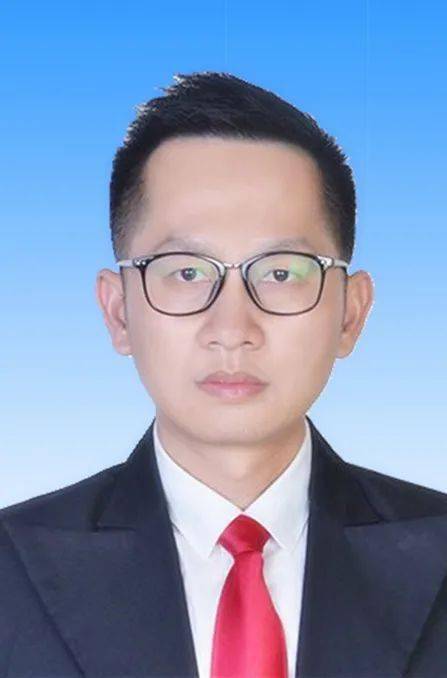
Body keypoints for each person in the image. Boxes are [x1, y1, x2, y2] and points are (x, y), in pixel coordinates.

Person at [1, 71, 446, 678]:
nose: (232, 328)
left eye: (282, 272)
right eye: (186, 272)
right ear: (118, 311)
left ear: (351, 312)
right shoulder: (10, 571)